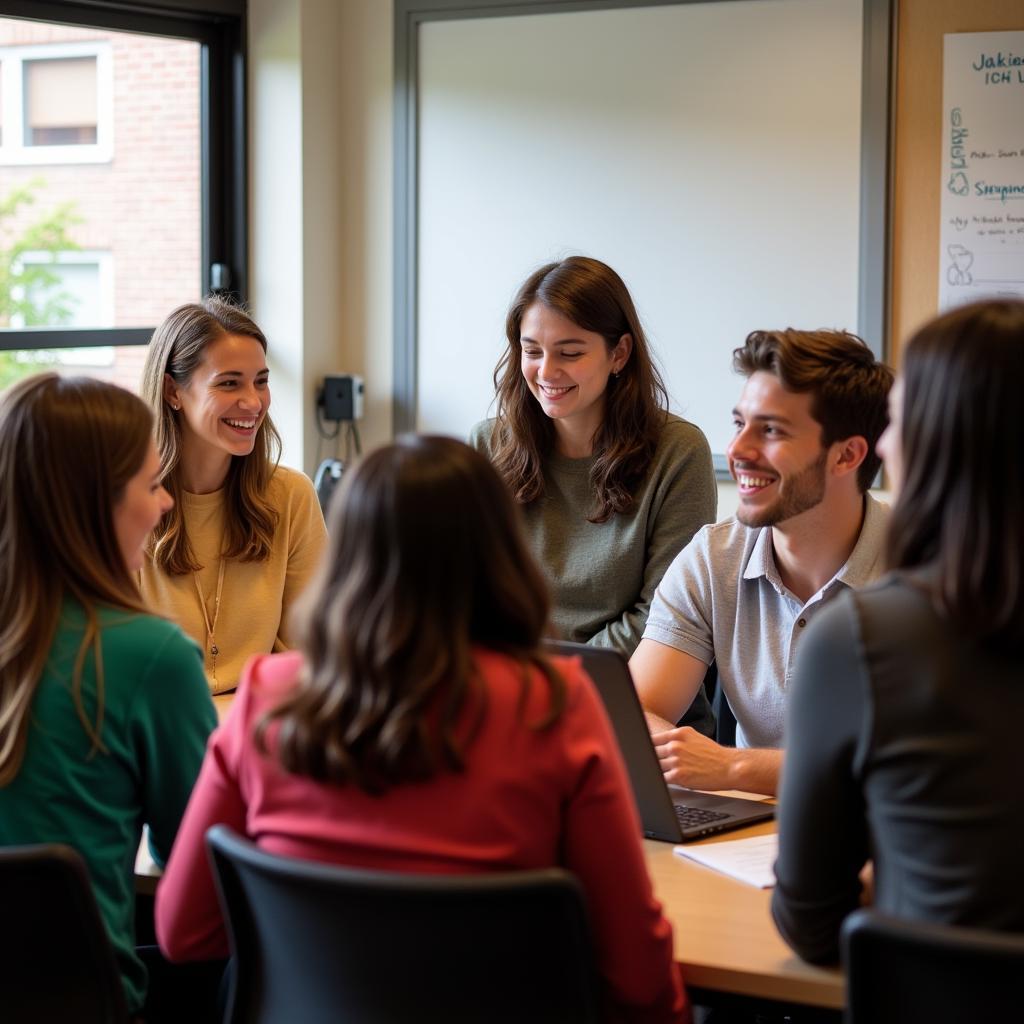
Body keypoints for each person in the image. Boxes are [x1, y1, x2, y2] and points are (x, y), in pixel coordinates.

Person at [155, 435, 688, 1022]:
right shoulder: (554, 706)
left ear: (347, 555)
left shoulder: (267, 697)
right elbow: (638, 979)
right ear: (500, 551)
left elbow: (185, 933)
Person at [772, 299, 1024, 964]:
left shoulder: (863, 636)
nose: (884, 444)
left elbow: (811, 922)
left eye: (901, 419)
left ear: (947, 442)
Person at [0, 374, 217, 1019]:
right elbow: (205, 880)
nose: (167, 505)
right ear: (98, 504)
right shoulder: (149, 657)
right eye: (151, 485)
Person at [631, 328, 892, 796]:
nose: (737, 451)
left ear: (847, 455)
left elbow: (900, 768)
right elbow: (633, 712)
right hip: (745, 840)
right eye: (739, 424)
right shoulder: (714, 558)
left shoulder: (927, 570)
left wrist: (735, 768)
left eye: (770, 430)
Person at [471, 256, 717, 730]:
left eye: (570, 352)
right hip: (513, 704)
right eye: (532, 350)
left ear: (619, 354)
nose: (546, 371)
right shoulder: (488, 445)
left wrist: (545, 682)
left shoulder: (678, 452)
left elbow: (663, 617)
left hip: (634, 710)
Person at [139, 297, 327, 694]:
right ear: (173, 391)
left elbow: (311, 653)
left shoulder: (291, 496)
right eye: (229, 383)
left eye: (261, 380)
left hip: (257, 732)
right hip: (155, 734)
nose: (254, 402)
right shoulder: (123, 503)